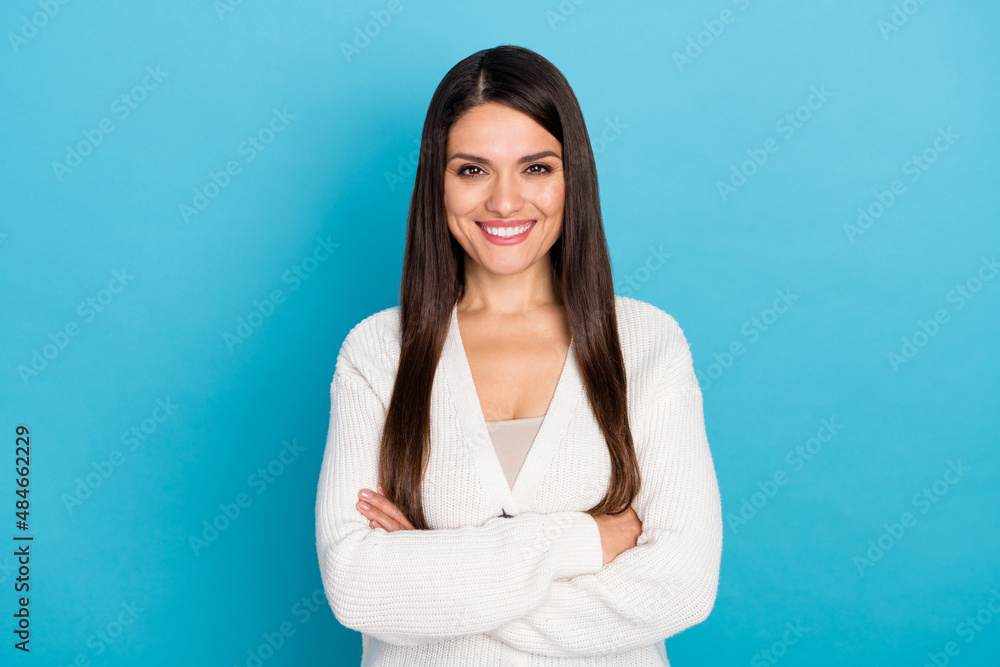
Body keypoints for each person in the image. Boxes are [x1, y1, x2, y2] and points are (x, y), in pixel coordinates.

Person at [315, 44, 723, 666]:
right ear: (437, 182)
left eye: (535, 168)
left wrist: (433, 585)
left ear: (571, 178)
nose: (505, 202)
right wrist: (584, 540)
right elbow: (356, 588)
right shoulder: (377, 353)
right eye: (472, 170)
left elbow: (682, 586)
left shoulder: (645, 343)